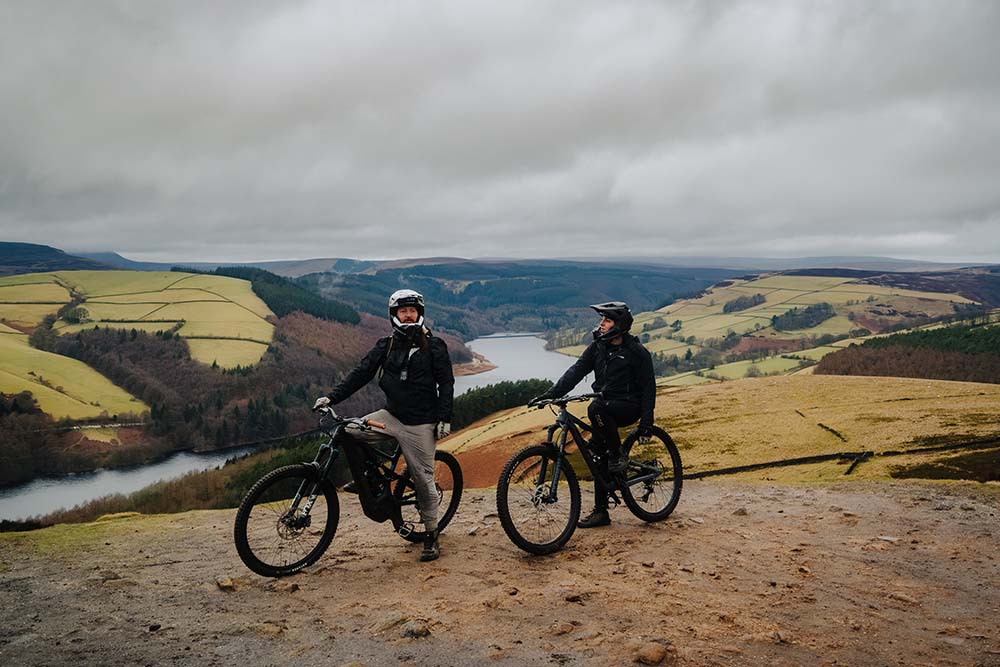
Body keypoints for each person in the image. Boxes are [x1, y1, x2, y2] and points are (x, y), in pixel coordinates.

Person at [313, 289, 454, 562]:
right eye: (403, 311)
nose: (409, 314)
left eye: (413, 310)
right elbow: (361, 374)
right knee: (348, 432)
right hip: (390, 416)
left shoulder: (435, 346)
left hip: (421, 423)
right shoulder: (386, 345)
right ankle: (371, 482)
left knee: (423, 480)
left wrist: (445, 417)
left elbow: (446, 383)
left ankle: (431, 535)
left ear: (420, 313)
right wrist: (332, 397)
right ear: (394, 315)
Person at [531, 302, 655, 528]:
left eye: (606, 320)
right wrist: (549, 394)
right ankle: (601, 512)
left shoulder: (636, 352)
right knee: (597, 452)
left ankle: (619, 456)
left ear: (619, 325)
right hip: (606, 406)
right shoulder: (598, 347)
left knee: (595, 408)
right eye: (602, 320)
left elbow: (648, 387)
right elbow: (576, 371)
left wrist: (647, 422)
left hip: (629, 406)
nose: (601, 324)